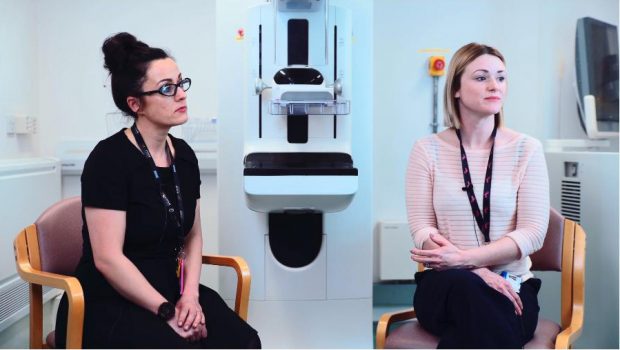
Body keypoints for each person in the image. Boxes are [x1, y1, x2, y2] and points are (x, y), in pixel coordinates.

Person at [55, 32, 261, 348]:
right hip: (108, 298)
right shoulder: (108, 160)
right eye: (167, 89)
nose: (181, 95)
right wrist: (167, 312)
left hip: (171, 289)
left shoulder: (185, 157)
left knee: (243, 341)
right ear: (135, 104)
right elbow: (108, 259)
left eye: (181, 83)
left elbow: (192, 236)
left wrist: (190, 296)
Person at [406, 42, 549, 348]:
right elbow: (422, 229)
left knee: (480, 316)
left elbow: (533, 234)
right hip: (445, 286)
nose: (494, 85)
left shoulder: (527, 149)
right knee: (467, 289)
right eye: (481, 77)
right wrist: (477, 270)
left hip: (513, 288)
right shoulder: (426, 150)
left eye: (501, 77)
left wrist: (464, 258)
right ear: (456, 87)